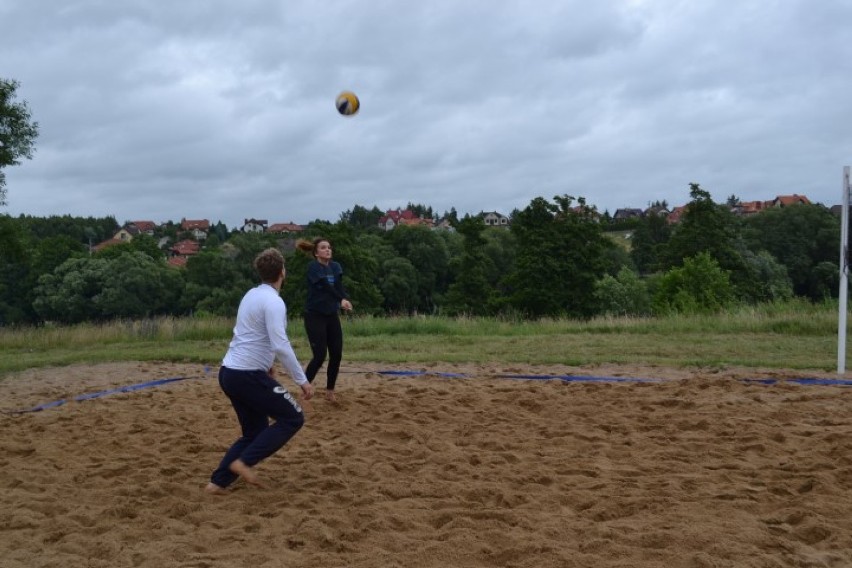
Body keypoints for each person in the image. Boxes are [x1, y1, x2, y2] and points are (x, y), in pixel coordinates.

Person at [205, 248, 314, 495]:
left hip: (229, 373)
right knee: (293, 417)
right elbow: (280, 345)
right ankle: (243, 462)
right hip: (246, 375)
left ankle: (217, 483)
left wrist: (267, 365)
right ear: (282, 272)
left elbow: (252, 336)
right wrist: (302, 381)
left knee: (254, 431)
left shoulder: (251, 294)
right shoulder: (274, 302)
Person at [295, 237, 353, 403]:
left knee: (336, 354)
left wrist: (345, 299)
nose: (328, 250)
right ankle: (305, 388)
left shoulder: (335, 267)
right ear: (316, 252)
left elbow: (338, 287)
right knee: (320, 355)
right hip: (314, 315)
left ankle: (330, 391)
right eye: (323, 247)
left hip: (331, 315)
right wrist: (340, 300)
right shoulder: (313, 267)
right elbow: (327, 288)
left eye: (329, 247)